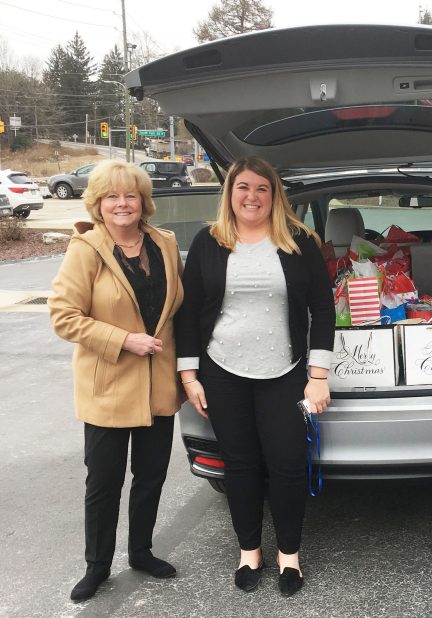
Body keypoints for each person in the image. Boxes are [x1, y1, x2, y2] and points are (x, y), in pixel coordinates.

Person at [174, 156, 334, 597]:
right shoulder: (209, 242)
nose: (252, 196)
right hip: (221, 371)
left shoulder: (299, 241)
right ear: (229, 193)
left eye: (261, 188)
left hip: (284, 371)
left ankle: (289, 556)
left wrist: (317, 375)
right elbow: (188, 314)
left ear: (274, 195)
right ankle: (249, 552)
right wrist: (189, 375)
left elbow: (322, 309)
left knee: (287, 464)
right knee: (240, 466)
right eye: (242, 187)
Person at [49, 160, 185, 602]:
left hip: (158, 385)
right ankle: (97, 566)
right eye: (111, 196)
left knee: (151, 476)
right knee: (104, 482)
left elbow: (179, 311)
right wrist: (123, 339)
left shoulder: (165, 243)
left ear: (143, 202)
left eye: (129, 195)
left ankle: (141, 552)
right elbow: (64, 316)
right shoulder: (86, 249)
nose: (122, 204)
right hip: (107, 386)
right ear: (99, 204)